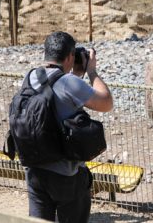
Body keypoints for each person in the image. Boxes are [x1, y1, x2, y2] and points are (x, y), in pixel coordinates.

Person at [25, 31, 113, 223]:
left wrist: (75, 75)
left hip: (34, 169)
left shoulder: (31, 77)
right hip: (66, 174)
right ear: (70, 57)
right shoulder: (69, 82)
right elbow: (106, 102)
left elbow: (59, 97)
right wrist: (91, 71)